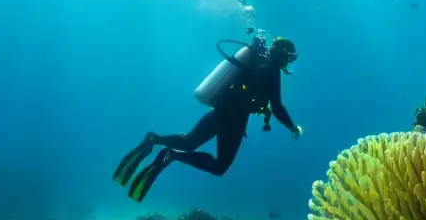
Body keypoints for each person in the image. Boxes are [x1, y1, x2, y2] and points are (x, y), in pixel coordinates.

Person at [113, 36, 302, 203]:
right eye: (290, 58)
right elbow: (277, 106)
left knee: (188, 142)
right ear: (284, 55)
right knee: (220, 166)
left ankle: (154, 139)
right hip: (233, 122)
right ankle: (172, 155)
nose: (288, 63)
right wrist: (292, 127)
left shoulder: (254, 59)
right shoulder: (272, 70)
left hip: (218, 111)